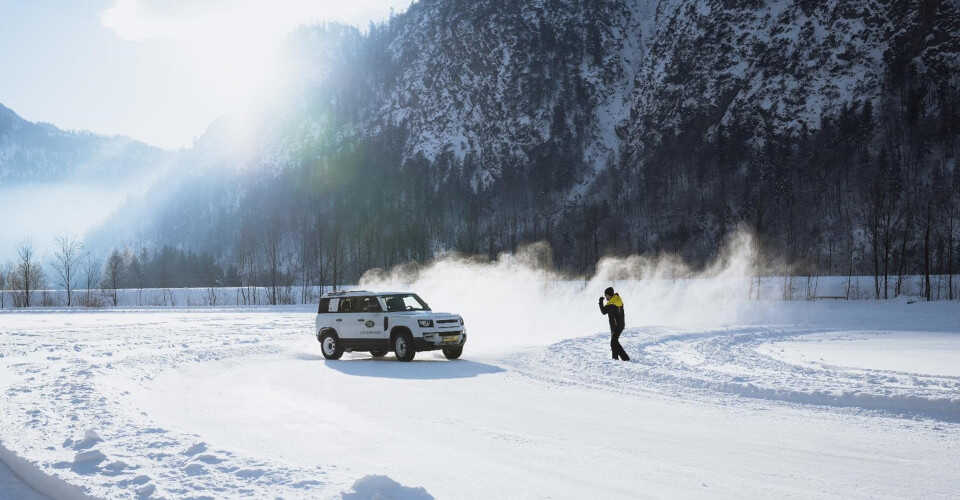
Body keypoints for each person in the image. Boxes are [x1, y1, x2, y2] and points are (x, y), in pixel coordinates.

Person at [598, 286, 630, 361]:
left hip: (616, 326)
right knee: (614, 343)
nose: (606, 297)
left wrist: (600, 301)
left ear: (609, 295)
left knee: (613, 343)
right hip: (619, 325)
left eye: (606, 295)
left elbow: (603, 311)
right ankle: (616, 359)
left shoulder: (612, 304)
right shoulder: (617, 299)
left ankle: (624, 358)